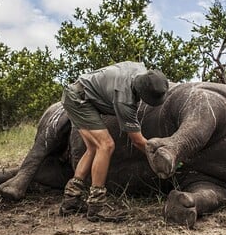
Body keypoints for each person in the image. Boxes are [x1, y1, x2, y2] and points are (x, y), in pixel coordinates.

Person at [59, 61, 169, 222]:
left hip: (76, 93)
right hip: (79, 100)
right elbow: (138, 141)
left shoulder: (140, 70)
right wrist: (160, 157)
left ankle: (71, 199)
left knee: (92, 148)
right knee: (106, 145)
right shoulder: (124, 99)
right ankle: (96, 207)